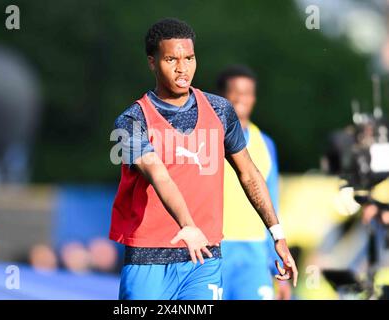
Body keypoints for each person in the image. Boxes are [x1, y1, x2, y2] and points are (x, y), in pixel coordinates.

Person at [110, 18, 297, 300]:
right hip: (147, 260)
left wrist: (278, 235)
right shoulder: (132, 120)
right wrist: (188, 225)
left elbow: (249, 173)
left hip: (204, 259)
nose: (182, 68)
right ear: (152, 62)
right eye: (171, 59)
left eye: (189, 58)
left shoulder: (221, 111)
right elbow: (160, 176)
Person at [217, 65, 291, 300]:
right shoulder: (206, 140)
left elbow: (272, 201)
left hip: (254, 255)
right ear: (221, 97)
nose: (241, 98)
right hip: (214, 250)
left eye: (247, 92)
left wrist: (277, 264)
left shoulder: (265, 144)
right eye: (234, 92)